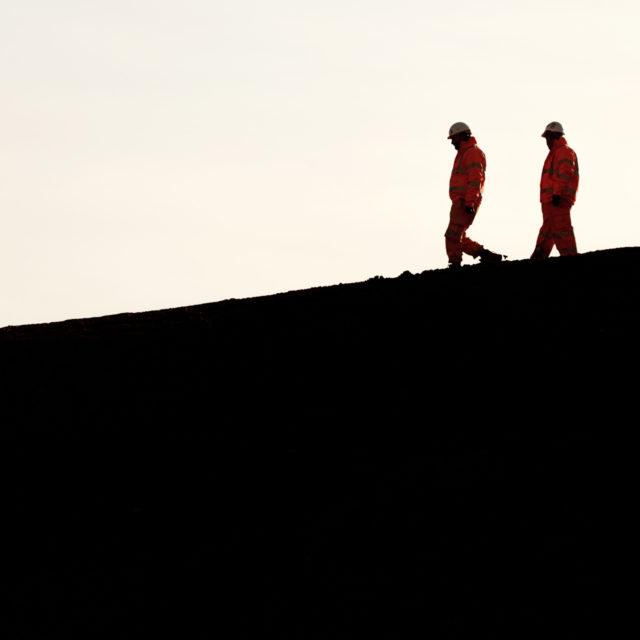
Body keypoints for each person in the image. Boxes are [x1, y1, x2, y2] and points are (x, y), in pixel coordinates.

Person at [445, 122, 502, 268]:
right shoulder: (465, 153)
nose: (452, 142)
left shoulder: (472, 153)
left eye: (454, 138)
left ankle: (455, 264)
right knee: (458, 236)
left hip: (465, 201)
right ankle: (487, 255)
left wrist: (469, 203)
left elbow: (476, 180)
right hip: (461, 201)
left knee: (452, 234)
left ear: (462, 136)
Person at [531, 121, 579, 259]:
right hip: (550, 201)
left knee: (562, 230)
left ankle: (571, 257)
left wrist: (557, 193)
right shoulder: (556, 152)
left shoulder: (564, 152)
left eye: (547, 138)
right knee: (548, 231)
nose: (547, 142)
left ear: (552, 136)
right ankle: (538, 257)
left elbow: (564, 174)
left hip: (558, 200)